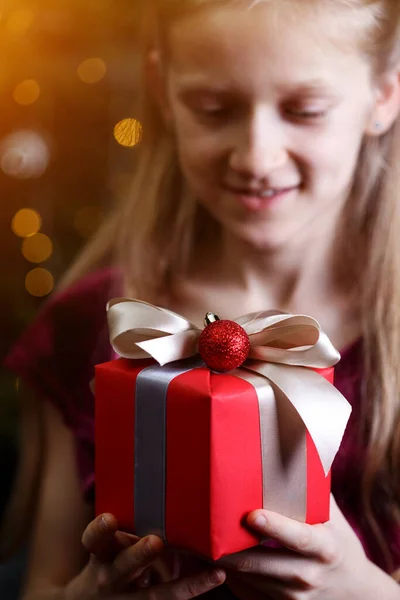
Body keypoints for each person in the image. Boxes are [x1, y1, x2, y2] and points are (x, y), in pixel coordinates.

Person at [4, 0, 400, 598]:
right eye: (214, 109)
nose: (255, 156)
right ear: (164, 93)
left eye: (304, 110)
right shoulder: (96, 325)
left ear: (383, 97)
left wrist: (360, 588)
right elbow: (46, 580)